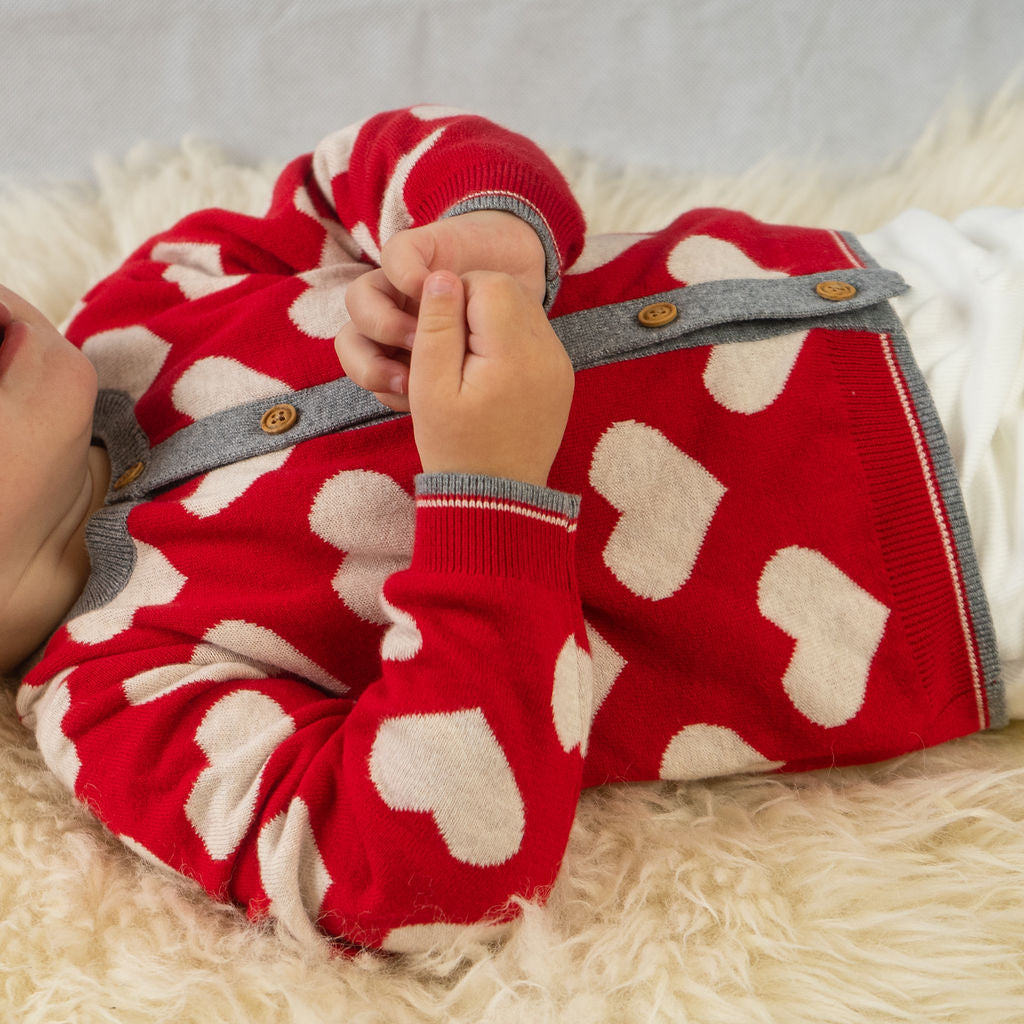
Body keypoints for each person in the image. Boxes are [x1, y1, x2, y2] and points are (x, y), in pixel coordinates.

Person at [5, 105, 1019, 954]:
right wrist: (486, 493)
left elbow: (353, 168)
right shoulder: (122, 697)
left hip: (934, 278)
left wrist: (480, 227)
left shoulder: (148, 300)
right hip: (951, 545)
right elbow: (403, 870)